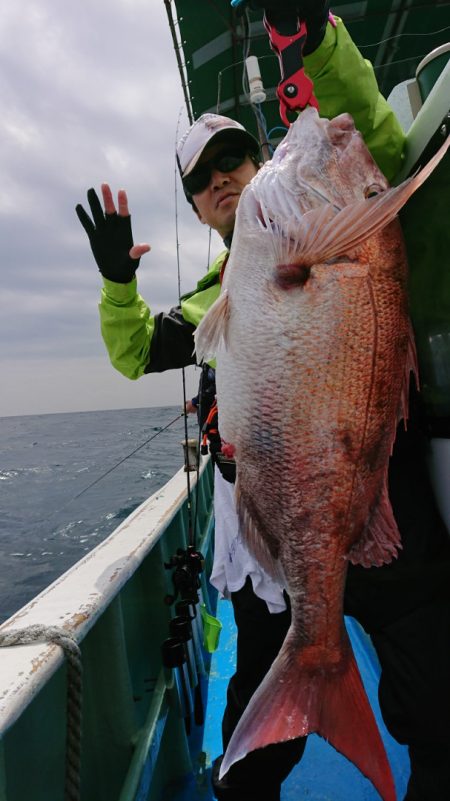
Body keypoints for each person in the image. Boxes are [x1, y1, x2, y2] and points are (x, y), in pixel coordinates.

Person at [76, 3, 450, 799]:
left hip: (379, 502)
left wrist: (317, 40)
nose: (221, 179)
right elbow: (139, 350)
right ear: (196, 207)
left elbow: (373, 139)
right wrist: (117, 284)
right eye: (202, 179)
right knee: (251, 758)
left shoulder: (345, 221)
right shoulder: (216, 299)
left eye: (233, 158)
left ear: (258, 162)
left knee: (439, 706)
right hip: (276, 546)